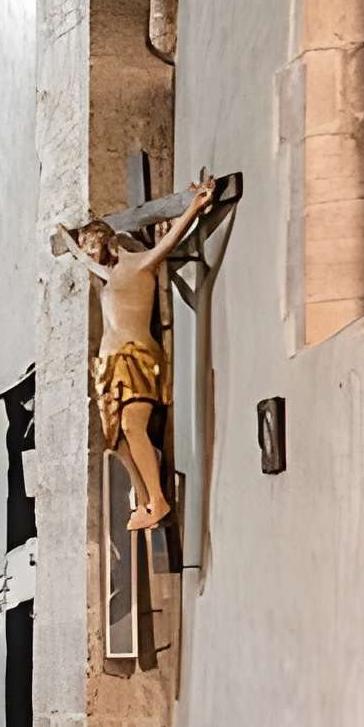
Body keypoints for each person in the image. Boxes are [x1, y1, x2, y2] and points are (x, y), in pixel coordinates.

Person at [55, 176, 218, 531]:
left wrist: (194, 204)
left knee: (133, 425)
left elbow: (171, 240)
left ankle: (158, 498)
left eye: (94, 248)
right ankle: (145, 500)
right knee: (116, 441)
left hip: (135, 358)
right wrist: (65, 236)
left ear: (106, 242)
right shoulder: (108, 272)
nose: (92, 257)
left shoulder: (142, 263)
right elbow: (82, 259)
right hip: (109, 367)